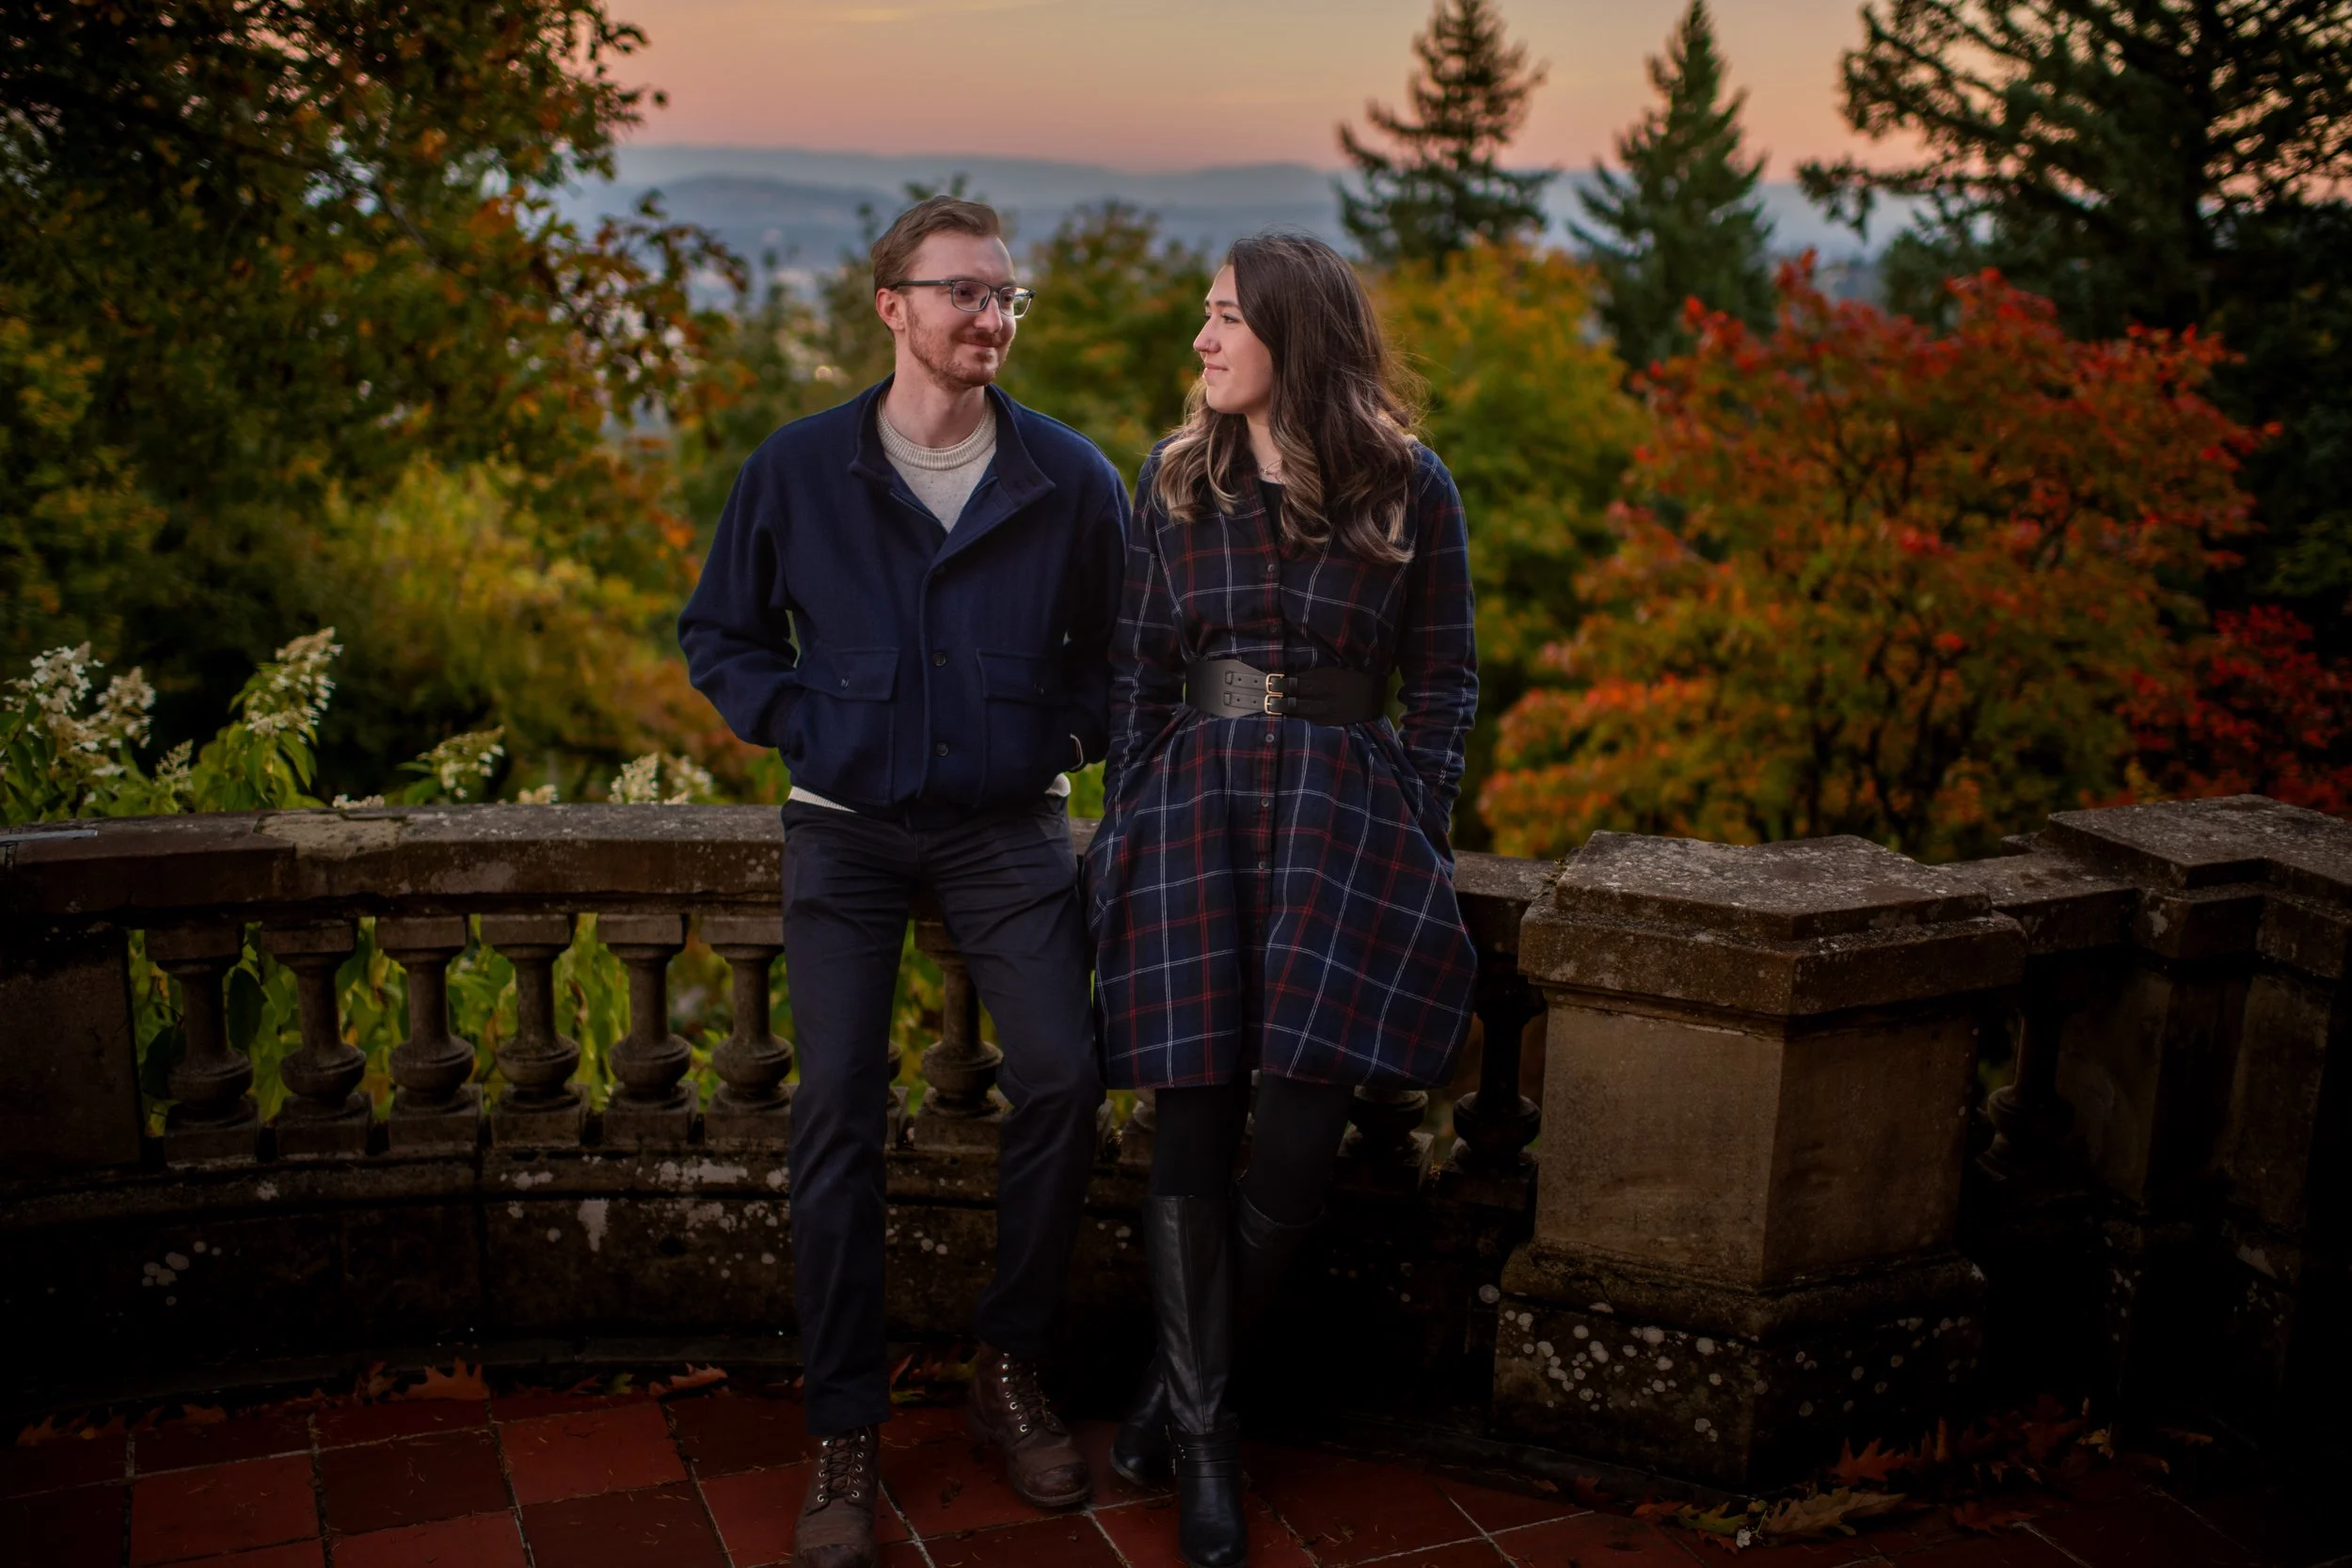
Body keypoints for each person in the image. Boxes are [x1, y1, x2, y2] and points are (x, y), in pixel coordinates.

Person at [679, 195, 1127, 1568]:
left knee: (1060, 1075)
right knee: (835, 1110)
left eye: (1007, 297)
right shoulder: (800, 470)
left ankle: (1009, 1366)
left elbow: (1124, 660)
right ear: (892, 308)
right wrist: (812, 725)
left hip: (1006, 830)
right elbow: (722, 635)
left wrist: (1058, 739)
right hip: (846, 832)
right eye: (963, 294)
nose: (991, 317)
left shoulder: (1069, 477)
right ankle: (844, 1423)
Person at [1087, 230, 1480, 1568]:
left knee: (1299, 1144)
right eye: (1204, 319)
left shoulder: (1408, 485)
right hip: (1195, 816)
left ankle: (1168, 1396)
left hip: (1339, 825)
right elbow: (1140, 671)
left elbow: (1447, 678)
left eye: (1222, 320)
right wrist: (1133, 808)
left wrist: (1414, 817)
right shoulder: (1174, 479)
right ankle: (1204, 1448)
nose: (1200, 343)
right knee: (1188, 1130)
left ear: (1292, 335)